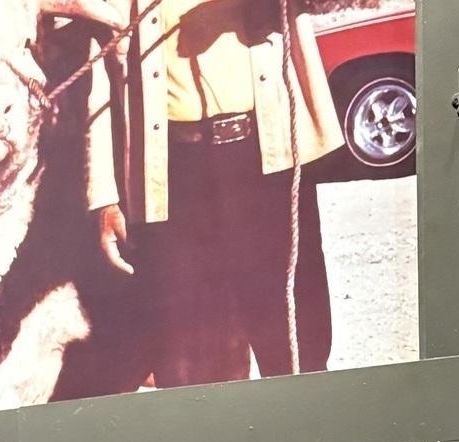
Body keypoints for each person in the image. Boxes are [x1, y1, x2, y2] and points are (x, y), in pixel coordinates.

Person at [88, 0, 343, 388]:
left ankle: (306, 423)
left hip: (266, 157)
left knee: (295, 346)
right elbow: (97, 76)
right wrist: (104, 196)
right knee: (187, 359)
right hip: (171, 173)